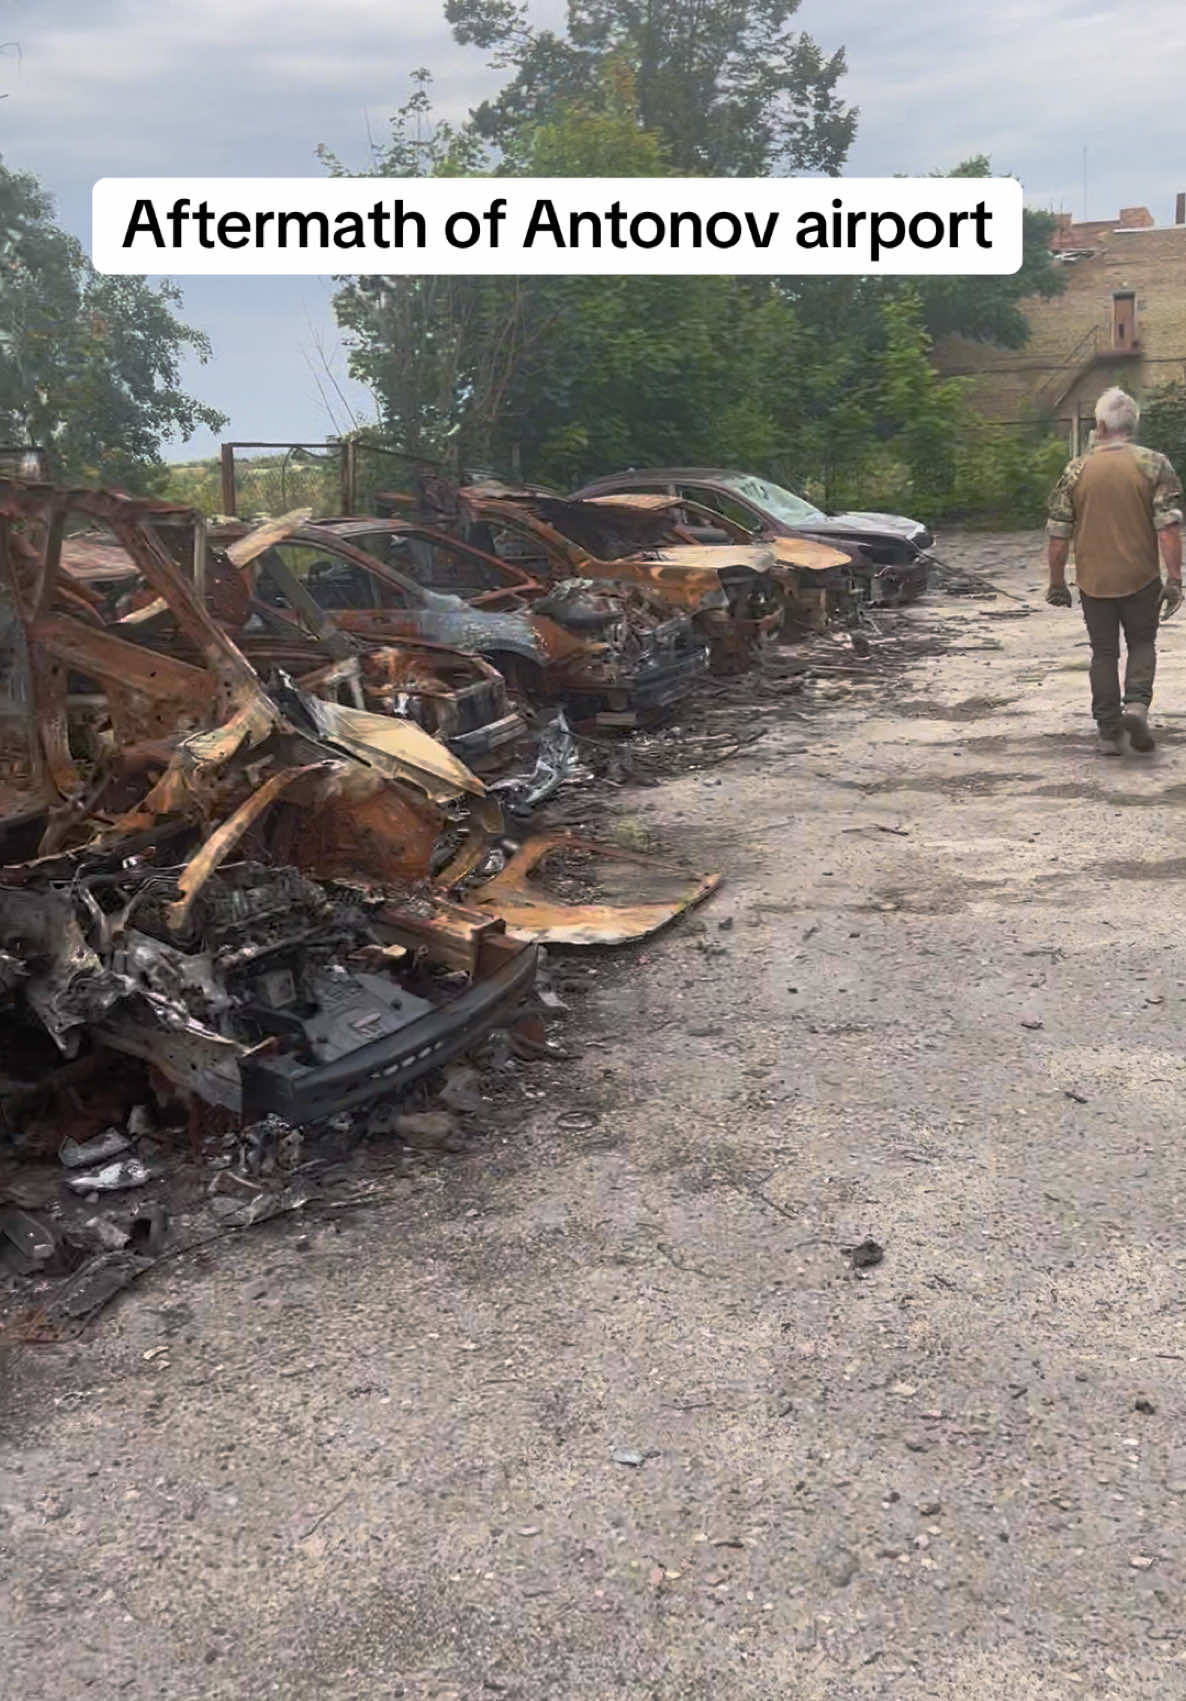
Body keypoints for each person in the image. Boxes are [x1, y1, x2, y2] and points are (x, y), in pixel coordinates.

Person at [1045, 387, 1183, 754]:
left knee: (1103, 653)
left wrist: (1057, 583)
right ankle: (1136, 705)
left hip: (1094, 582)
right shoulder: (1154, 464)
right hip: (1141, 579)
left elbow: (1058, 535)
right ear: (1133, 425)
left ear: (1101, 425)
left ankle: (1108, 732)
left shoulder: (1076, 469)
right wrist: (1175, 579)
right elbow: (1168, 528)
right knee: (1142, 643)